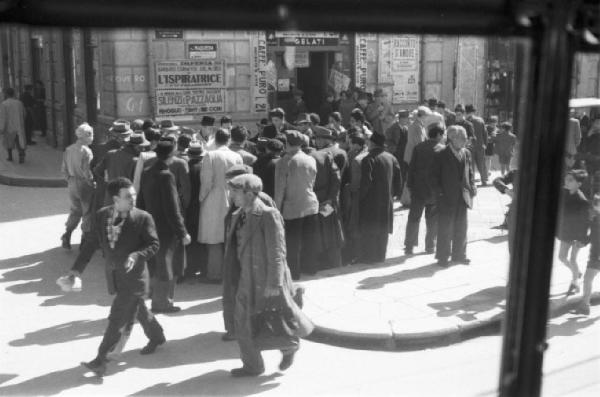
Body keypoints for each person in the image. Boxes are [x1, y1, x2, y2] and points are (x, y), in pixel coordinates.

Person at [225, 174, 313, 377]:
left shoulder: (267, 215)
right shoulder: (237, 215)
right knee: (242, 322)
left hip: (266, 279)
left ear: (249, 193)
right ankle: (253, 366)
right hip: (245, 278)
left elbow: (277, 252)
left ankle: (289, 347)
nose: (232, 196)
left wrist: (274, 282)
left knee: (277, 320)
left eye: (235, 192)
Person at [81, 177, 164, 377]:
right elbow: (91, 242)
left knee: (117, 318)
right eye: (128, 196)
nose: (134, 199)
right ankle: (157, 336)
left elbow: (154, 244)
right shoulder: (102, 215)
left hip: (135, 279)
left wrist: (136, 255)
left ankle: (101, 359)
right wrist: (75, 270)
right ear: (116, 199)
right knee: (139, 309)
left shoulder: (143, 217)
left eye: (134, 195)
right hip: (116, 276)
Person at [137, 141, 191, 313]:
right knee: (168, 266)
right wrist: (182, 232)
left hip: (150, 225)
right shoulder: (166, 175)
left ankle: (155, 298)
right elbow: (172, 208)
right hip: (166, 228)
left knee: (156, 263)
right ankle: (162, 303)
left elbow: (141, 200)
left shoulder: (147, 172)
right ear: (173, 153)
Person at [198, 129, 243, 282]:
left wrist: (201, 199)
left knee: (214, 240)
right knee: (229, 238)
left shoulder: (210, 155)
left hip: (213, 199)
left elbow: (207, 182)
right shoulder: (237, 156)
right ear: (229, 140)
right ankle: (230, 273)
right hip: (233, 198)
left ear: (215, 140)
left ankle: (215, 274)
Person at [274, 130, 320, 279]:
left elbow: (280, 189)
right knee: (309, 239)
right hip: (310, 203)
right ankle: (311, 268)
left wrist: (276, 210)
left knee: (292, 243)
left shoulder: (283, 162)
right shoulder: (310, 159)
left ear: (287, 144)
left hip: (292, 207)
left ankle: (294, 273)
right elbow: (312, 181)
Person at [430, 125, 476, 267]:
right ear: (452, 138)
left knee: (461, 226)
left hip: (463, 196)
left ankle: (459, 255)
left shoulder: (466, 153)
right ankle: (443, 257)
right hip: (446, 196)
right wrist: (440, 194)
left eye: (465, 138)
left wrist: (472, 185)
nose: (465, 141)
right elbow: (433, 177)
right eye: (462, 138)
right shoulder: (440, 153)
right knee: (445, 228)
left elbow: (470, 172)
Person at [359, 133, 402, 263]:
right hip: (387, 199)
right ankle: (381, 256)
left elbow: (366, 182)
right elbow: (398, 181)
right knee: (383, 229)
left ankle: (370, 257)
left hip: (371, 200)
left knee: (371, 228)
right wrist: (393, 195)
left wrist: (361, 197)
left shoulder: (368, 159)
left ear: (372, 143)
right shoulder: (392, 158)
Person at [404, 123, 445, 255]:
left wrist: (409, 185)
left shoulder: (419, 147)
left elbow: (412, 168)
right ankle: (430, 246)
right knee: (432, 219)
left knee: (414, 218)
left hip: (418, 189)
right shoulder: (442, 149)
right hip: (434, 190)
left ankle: (409, 246)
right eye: (442, 134)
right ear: (438, 135)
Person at [312, 126, 344, 269]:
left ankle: (329, 263)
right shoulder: (340, 151)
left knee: (325, 232)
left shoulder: (322, 154)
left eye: (318, 139)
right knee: (332, 231)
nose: (316, 142)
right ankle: (334, 263)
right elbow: (337, 179)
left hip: (323, 201)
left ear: (324, 140)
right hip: (331, 199)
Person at [60, 123, 96, 250]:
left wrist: (70, 179)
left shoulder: (69, 149)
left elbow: (63, 170)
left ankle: (67, 234)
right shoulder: (87, 151)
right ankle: (84, 241)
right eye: (91, 135)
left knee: (75, 211)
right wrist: (92, 183)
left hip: (71, 183)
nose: (92, 137)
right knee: (87, 212)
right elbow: (88, 172)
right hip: (84, 183)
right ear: (86, 136)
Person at [556, 169, 590, 295]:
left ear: (579, 184)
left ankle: (575, 283)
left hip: (577, 236)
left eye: (570, 180)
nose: (567, 181)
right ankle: (577, 273)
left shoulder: (582, 201)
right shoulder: (564, 193)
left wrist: (582, 240)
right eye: (566, 179)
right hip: (566, 232)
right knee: (562, 257)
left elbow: (585, 223)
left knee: (573, 259)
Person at [181, 143, 206, 283]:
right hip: (201, 205)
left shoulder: (185, 167)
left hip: (188, 207)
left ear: (189, 154)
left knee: (189, 238)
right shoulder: (204, 167)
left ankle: (189, 268)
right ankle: (200, 267)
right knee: (200, 238)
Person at [576, 194, 600, 315]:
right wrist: (583, 243)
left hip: (597, 255)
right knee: (588, 279)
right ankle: (585, 306)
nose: (595, 207)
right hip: (595, 254)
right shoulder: (595, 219)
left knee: (588, 279)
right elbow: (592, 236)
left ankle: (585, 306)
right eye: (595, 204)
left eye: (597, 204)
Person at [0, 87, 27, 163]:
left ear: (6, 94)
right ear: (13, 94)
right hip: (18, 125)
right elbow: (24, 114)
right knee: (19, 141)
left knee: (9, 142)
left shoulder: (4, 104)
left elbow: (2, 117)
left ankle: (10, 156)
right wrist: (22, 122)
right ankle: (21, 155)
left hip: (9, 126)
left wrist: (1, 128)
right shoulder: (19, 103)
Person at [465, 104, 489, 186]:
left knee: (470, 164)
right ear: (473, 111)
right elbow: (485, 133)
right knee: (482, 163)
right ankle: (484, 180)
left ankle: (471, 181)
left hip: (469, 146)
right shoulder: (480, 120)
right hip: (480, 145)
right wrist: (485, 144)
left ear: (465, 112)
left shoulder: (465, 121)